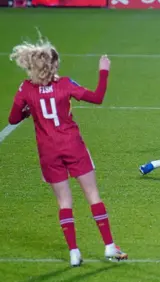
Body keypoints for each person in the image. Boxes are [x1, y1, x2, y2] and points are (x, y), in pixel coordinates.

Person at [7, 39, 127, 267]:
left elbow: (13, 119)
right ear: (54, 65)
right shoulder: (65, 84)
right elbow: (97, 97)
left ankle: (74, 252)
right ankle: (110, 246)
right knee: (92, 195)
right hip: (73, 146)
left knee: (64, 202)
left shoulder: (25, 88)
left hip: (48, 152)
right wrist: (103, 72)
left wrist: (27, 111)